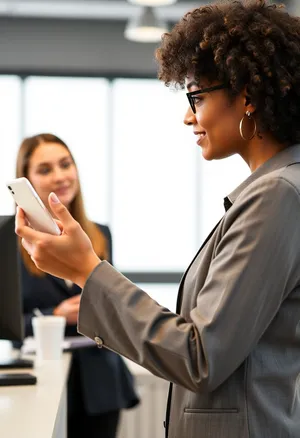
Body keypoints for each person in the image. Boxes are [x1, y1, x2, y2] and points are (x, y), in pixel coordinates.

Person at [15, 1, 300, 436]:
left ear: (245, 97)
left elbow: (199, 356)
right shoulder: (274, 190)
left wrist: (89, 273)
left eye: (197, 97)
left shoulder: (277, 194)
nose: (188, 116)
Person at [15, 133, 139, 438]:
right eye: (45, 170)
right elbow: (8, 324)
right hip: (41, 381)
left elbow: (115, 303)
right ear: (27, 181)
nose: (59, 176)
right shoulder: (11, 243)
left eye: (65, 164)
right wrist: (54, 315)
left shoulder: (99, 234)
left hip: (101, 382)